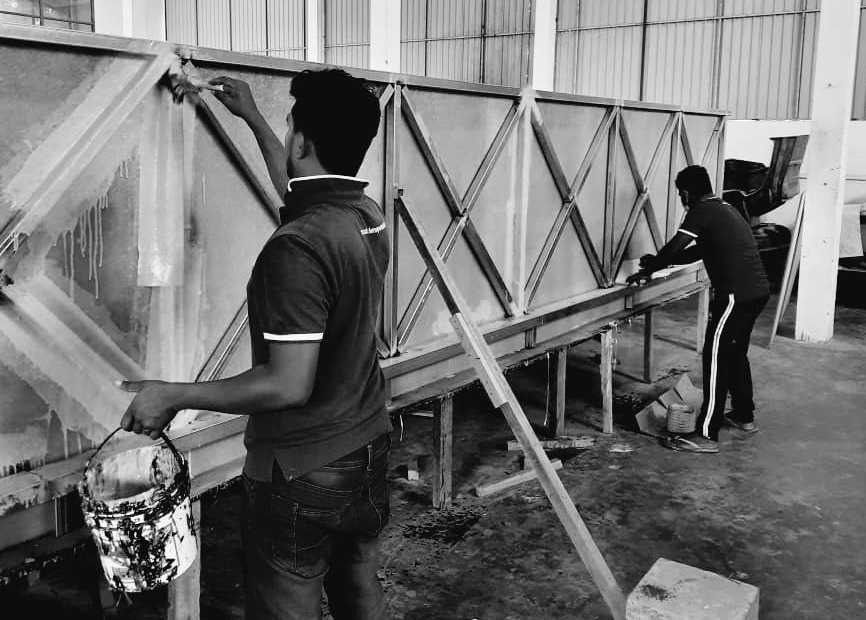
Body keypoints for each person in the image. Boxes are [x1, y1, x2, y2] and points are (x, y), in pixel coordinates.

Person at [119, 68, 392, 620]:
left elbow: (288, 384)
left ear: (302, 142)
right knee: (358, 589)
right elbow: (298, 188)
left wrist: (172, 394)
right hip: (366, 449)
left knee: (285, 605)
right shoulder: (365, 215)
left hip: (301, 468)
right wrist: (253, 118)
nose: (287, 137)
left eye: (290, 128)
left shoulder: (296, 247)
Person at [627, 165, 769, 453]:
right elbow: (700, 250)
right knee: (735, 353)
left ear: (686, 193)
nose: (682, 200)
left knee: (716, 358)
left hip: (734, 296)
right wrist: (659, 263)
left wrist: (649, 269)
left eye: (681, 195)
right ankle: (744, 416)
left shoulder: (701, 210)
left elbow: (677, 245)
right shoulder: (725, 208)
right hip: (756, 291)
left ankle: (706, 435)